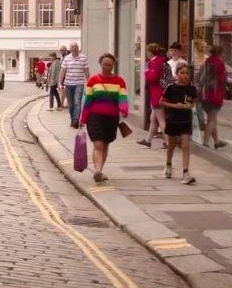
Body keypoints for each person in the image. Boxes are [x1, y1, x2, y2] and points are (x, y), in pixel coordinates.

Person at [79, 53, 128, 184]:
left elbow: (123, 97)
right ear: (100, 64)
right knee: (98, 144)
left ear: (113, 65)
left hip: (111, 118)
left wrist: (124, 108)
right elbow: (88, 101)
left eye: (110, 65)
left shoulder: (119, 81)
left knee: (105, 144)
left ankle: (100, 170)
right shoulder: (93, 80)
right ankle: (98, 171)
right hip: (95, 117)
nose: (107, 67)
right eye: (105, 64)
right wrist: (83, 118)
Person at [160, 65, 198, 185]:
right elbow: (161, 102)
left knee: (186, 146)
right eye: (182, 73)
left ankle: (186, 173)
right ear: (176, 74)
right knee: (172, 145)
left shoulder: (192, 88)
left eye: (187, 73)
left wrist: (189, 106)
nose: (185, 76)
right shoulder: (171, 87)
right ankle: (168, 165)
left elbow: (192, 102)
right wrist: (174, 105)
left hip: (186, 120)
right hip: (172, 119)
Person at [137, 43, 168, 149]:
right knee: (153, 118)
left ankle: (168, 142)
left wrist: (147, 72)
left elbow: (153, 77)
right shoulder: (161, 60)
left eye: (147, 52)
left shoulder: (156, 62)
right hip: (159, 92)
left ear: (150, 52)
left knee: (161, 119)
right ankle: (148, 140)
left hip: (157, 93)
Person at [199, 45, 228, 149]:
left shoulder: (206, 62)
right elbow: (223, 80)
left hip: (204, 94)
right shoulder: (219, 63)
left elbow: (199, 77)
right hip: (215, 94)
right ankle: (206, 142)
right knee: (211, 119)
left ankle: (216, 141)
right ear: (220, 53)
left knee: (212, 119)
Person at [60, 42, 89, 128]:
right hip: (68, 84)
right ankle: (72, 119)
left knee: (77, 102)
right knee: (70, 103)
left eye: (76, 46)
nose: (74, 48)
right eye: (73, 47)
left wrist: (89, 83)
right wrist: (59, 82)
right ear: (70, 49)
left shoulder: (83, 58)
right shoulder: (67, 59)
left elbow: (87, 71)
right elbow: (62, 71)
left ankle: (76, 120)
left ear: (78, 48)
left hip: (79, 83)